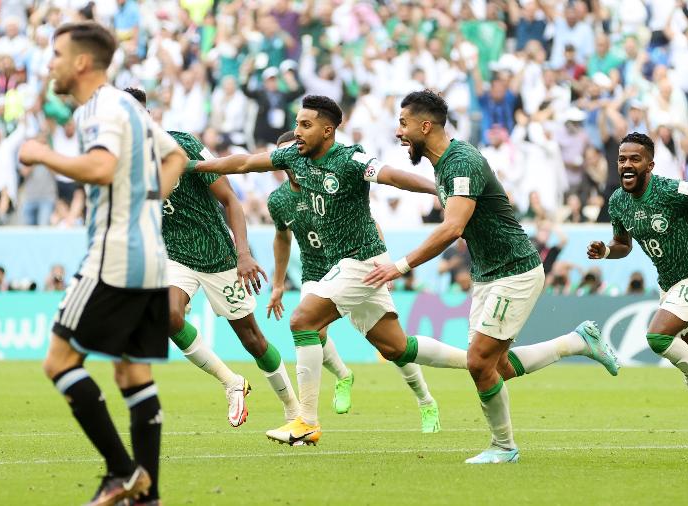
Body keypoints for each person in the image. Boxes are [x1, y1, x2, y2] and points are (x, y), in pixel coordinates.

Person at [192, 95, 469, 446]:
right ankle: (474, 361)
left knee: (303, 321)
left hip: (363, 258)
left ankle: (306, 421)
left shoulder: (350, 159)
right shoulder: (293, 158)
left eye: (305, 125)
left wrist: (437, 189)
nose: (297, 132)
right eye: (296, 124)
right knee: (396, 347)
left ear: (327, 129)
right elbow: (246, 162)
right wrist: (197, 167)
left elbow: (393, 177)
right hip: (339, 266)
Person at [363, 90, 620, 465]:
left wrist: (400, 266)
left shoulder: (461, 161)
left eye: (403, 124)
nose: (398, 133)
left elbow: (452, 228)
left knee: (479, 363)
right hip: (488, 273)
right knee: (493, 366)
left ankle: (504, 446)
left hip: (514, 269)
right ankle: (578, 341)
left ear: (425, 125)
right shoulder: (444, 164)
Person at [17, 22, 186, 506]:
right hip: (151, 255)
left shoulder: (97, 109)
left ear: (80, 63)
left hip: (113, 258)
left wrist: (43, 154)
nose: (49, 63)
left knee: (59, 361)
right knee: (133, 376)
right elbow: (173, 158)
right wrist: (145, 205)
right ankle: (147, 497)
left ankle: (121, 472)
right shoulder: (127, 106)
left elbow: (101, 167)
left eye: (55, 54)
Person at [125, 87, 299, 428]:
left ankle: (294, 410)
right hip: (175, 256)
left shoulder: (182, 146)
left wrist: (243, 253)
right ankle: (232, 382)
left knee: (253, 340)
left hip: (218, 255)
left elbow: (230, 200)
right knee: (168, 317)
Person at [266, 131, 441, 433]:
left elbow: (368, 221)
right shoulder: (279, 200)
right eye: (283, 156)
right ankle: (340, 379)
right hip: (316, 270)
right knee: (310, 326)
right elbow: (281, 238)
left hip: (356, 264)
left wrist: (382, 263)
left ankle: (426, 401)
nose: (290, 160)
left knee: (392, 348)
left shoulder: (327, 174)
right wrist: (279, 284)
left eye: (294, 150)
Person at [587, 132, 688, 452]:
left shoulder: (670, 190)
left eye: (635, 159)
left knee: (657, 338)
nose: (627, 165)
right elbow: (623, 246)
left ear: (650, 165)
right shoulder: (617, 201)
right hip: (670, 284)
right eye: (622, 159)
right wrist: (605, 252)